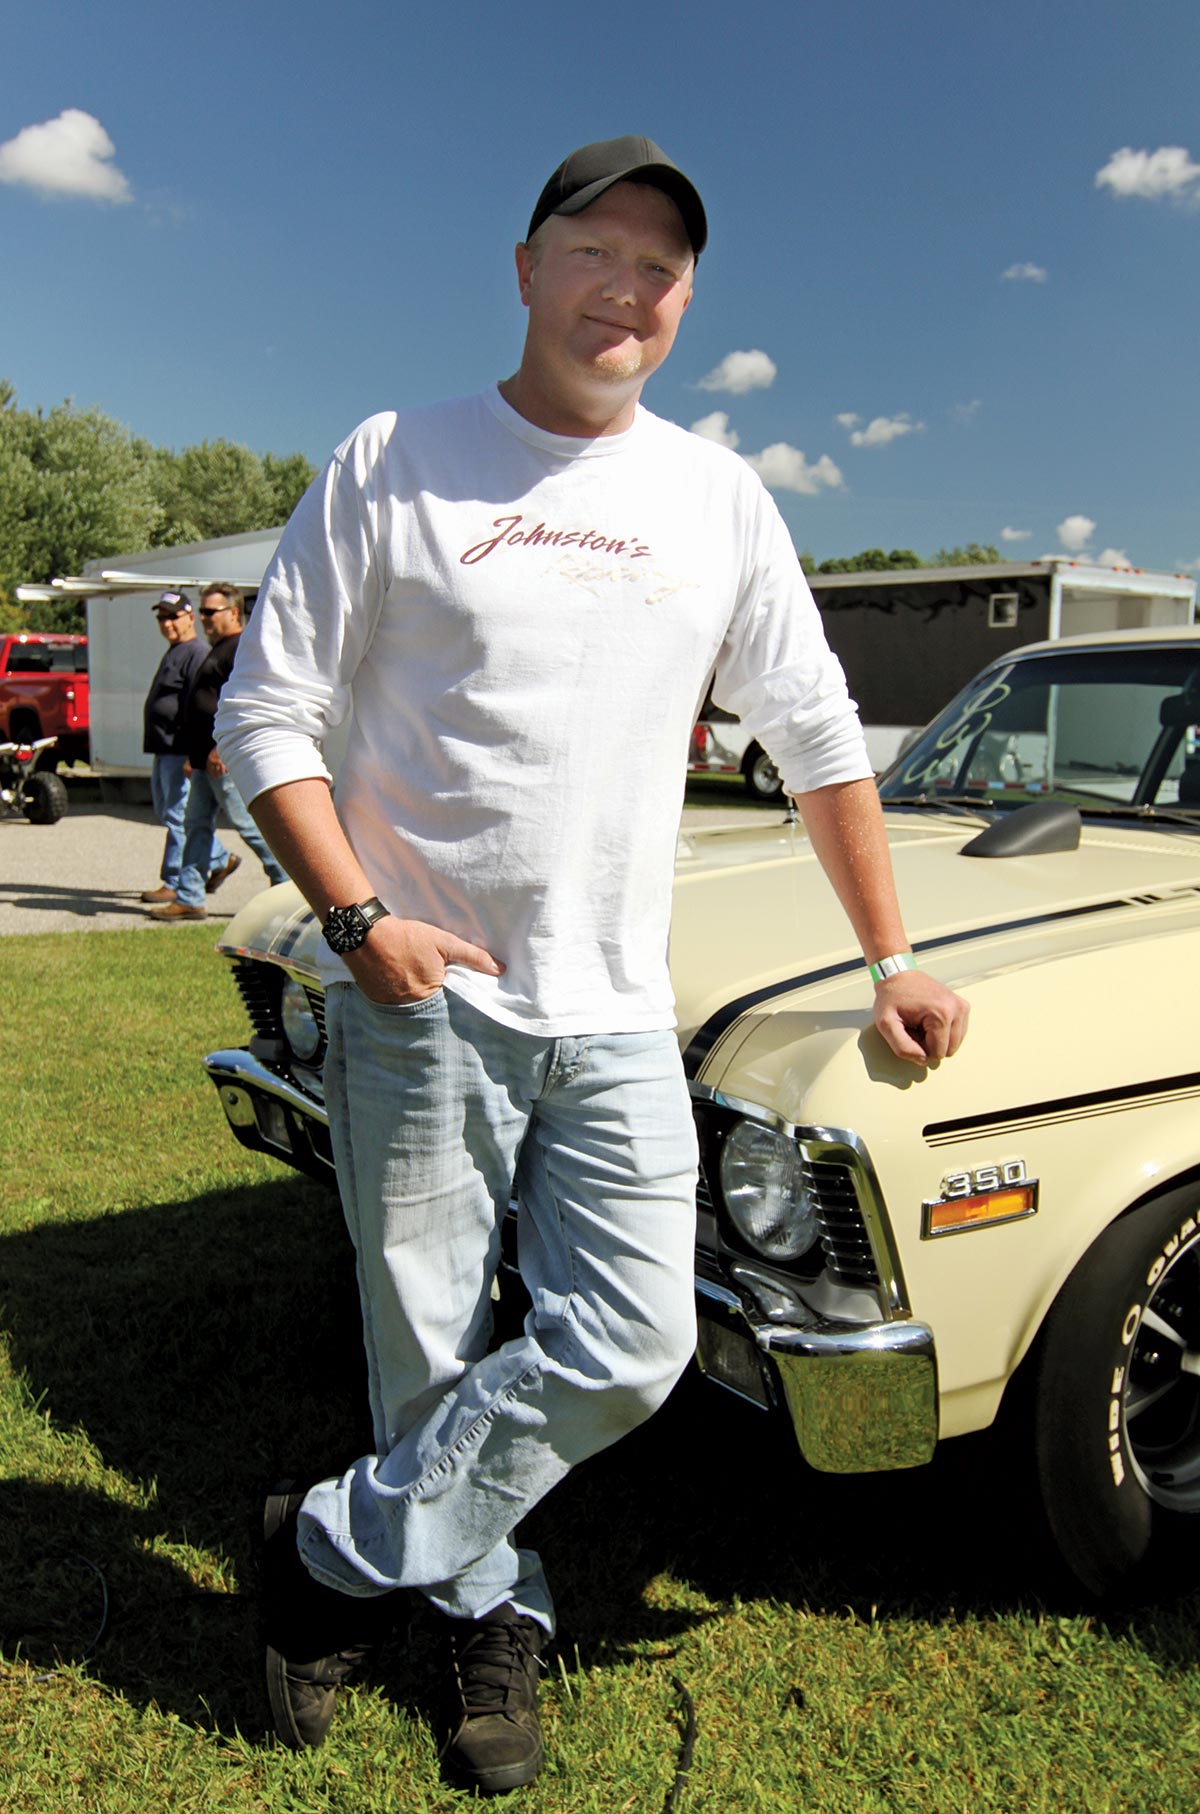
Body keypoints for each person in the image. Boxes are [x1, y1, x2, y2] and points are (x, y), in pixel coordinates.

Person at [216, 135, 969, 1793]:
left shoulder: (713, 496)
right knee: (426, 1343)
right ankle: (491, 1609)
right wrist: (359, 919)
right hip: (423, 998)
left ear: (683, 303)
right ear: (526, 265)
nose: (627, 288)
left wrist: (891, 951)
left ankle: (332, 1551)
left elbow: (820, 735)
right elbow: (263, 711)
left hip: (620, 1006)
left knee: (629, 1343)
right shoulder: (395, 459)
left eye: (663, 268)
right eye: (597, 249)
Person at [147, 583, 287, 921]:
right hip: (200, 760)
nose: (205, 619)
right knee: (195, 826)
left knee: (250, 826)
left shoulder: (241, 648)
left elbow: (243, 704)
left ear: (234, 613)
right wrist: (193, 755)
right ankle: (191, 897)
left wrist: (219, 749)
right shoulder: (219, 648)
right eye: (204, 611)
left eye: (211, 612)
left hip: (220, 759)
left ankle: (289, 887)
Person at [139, 590, 240, 905]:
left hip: (182, 749)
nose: (166, 623)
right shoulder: (177, 651)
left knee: (183, 817)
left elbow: (206, 704)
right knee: (177, 815)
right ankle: (217, 861)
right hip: (165, 747)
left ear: (189, 618)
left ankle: (175, 880)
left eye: (173, 616)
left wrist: (194, 751)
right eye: (161, 617)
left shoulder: (196, 652)